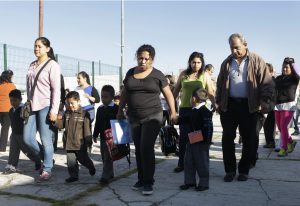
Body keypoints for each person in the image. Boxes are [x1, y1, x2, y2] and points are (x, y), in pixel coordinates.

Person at [117, 44, 176, 195]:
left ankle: (149, 182)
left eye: (146, 59)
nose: (142, 61)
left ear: (152, 60)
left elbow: (169, 94)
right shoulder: (131, 72)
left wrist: (173, 112)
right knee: (138, 149)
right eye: (140, 58)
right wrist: (119, 110)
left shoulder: (157, 74)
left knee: (146, 147)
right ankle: (141, 179)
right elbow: (124, 92)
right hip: (134, 116)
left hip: (153, 116)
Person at [216, 33, 275, 182]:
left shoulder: (256, 60)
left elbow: (266, 83)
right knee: (227, 137)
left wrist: (265, 101)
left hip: (249, 106)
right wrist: (218, 102)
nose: (234, 51)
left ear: (245, 44)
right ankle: (229, 170)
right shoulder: (227, 62)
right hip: (229, 105)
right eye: (231, 48)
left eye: (237, 47)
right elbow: (220, 84)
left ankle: (244, 170)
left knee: (249, 139)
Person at [23, 37, 61, 181]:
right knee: (27, 139)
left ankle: (47, 168)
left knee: (46, 139)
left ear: (47, 48)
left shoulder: (53, 65)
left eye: (39, 46)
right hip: (32, 105)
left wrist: (54, 110)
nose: (36, 49)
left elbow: (56, 90)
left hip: (46, 105)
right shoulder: (32, 65)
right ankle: (47, 158)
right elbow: (28, 86)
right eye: (35, 46)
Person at [173, 52, 215, 173]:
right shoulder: (183, 75)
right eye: (193, 62)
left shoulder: (205, 75)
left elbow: (210, 92)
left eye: (198, 62)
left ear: (202, 63)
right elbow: (175, 92)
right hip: (185, 110)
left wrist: (214, 104)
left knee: (196, 139)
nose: (196, 65)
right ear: (190, 62)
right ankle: (181, 163)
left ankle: (196, 164)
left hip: (199, 111)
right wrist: (172, 109)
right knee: (183, 138)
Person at [175, 88, 213, 192]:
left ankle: (204, 183)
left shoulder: (205, 112)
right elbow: (187, 119)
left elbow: (208, 128)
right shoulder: (194, 110)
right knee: (189, 161)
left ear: (193, 98)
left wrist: (207, 142)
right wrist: (176, 120)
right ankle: (190, 182)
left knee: (202, 163)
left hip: (201, 142)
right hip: (192, 139)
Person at [56, 91, 96, 183]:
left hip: (80, 144)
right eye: (68, 103)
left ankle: (90, 166)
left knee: (83, 159)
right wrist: (57, 119)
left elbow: (87, 129)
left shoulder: (84, 113)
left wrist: (88, 141)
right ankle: (73, 176)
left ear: (78, 101)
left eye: (72, 103)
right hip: (69, 143)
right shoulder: (67, 113)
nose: (70, 105)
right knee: (71, 162)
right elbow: (61, 125)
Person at [3, 89, 42, 174]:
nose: (12, 102)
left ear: (20, 99)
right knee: (13, 150)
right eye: (11, 100)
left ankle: (38, 161)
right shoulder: (11, 110)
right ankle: (11, 166)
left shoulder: (23, 109)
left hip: (23, 134)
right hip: (14, 134)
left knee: (27, 150)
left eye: (15, 100)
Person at [93, 85, 118, 184]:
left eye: (106, 97)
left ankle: (105, 175)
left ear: (112, 97)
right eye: (102, 97)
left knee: (108, 156)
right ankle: (110, 172)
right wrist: (95, 134)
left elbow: (121, 121)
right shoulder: (100, 109)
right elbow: (98, 123)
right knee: (104, 156)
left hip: (112, 137)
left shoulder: (116, 108)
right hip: (103, 137)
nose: (103, 99)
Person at [274, 57, 299, 157]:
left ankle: (283, 148)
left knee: (284, 126)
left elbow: (298, 73)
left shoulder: (294, 78)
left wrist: (292, 63)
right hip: (277, 105)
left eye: (287, 67)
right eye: (283, 67)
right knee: (280, 128)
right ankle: (291, 142)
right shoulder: (278, 78)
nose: (284, 69)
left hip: (289, 105)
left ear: (291, 68)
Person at [0, 69, 16, 152]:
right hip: (7, 110)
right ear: (9, 77)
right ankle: (2, 148)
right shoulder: (12, 86)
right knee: (5, 128)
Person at [263, 63, 276, 148]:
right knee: (267, 126)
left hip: (272, 107)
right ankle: (269, 142)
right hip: (265, 107)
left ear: (271, 72)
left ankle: (271, 142)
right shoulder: (263, 82)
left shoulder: (273, 82)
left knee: (269, 126)